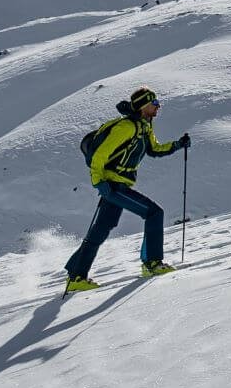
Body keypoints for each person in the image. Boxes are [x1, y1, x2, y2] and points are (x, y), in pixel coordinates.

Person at [64, 86, 191, 293]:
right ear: (144, 106)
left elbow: (154, 150)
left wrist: (178, 145)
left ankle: (76, 275)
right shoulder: (126, 128)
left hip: (118, 185)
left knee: (101, 229)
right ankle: (152, 264)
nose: (158, 107)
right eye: (155, 104)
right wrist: (100, 184)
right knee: (153, 212)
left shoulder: (144, 127)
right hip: (113, 185)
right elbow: (99, 157)